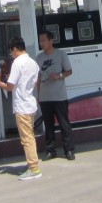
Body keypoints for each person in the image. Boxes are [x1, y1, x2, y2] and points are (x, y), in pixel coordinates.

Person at [0, 37, 41, 180]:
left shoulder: (17, 63)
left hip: (21, 105)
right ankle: (31, 164)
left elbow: (10, 86)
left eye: (11, 51)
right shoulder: (33, 62)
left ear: (14, 49)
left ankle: (34, 168)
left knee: (27, 138)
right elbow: (35, 82)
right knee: (29, 136)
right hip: (30, 103)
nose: (11, 54)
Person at [36, 31, 75, 160]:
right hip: (45, 97)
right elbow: (38, 77)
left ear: (51, 41)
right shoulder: (39, 58)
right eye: (40, 41)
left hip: (59, 97)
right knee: (48, 125)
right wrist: (38, 95)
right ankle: (50, 150)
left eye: (44, 40)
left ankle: (69, 150)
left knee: (64, 124)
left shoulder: (61, 54)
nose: (41, 43)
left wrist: (59, 76)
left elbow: (69, 71)